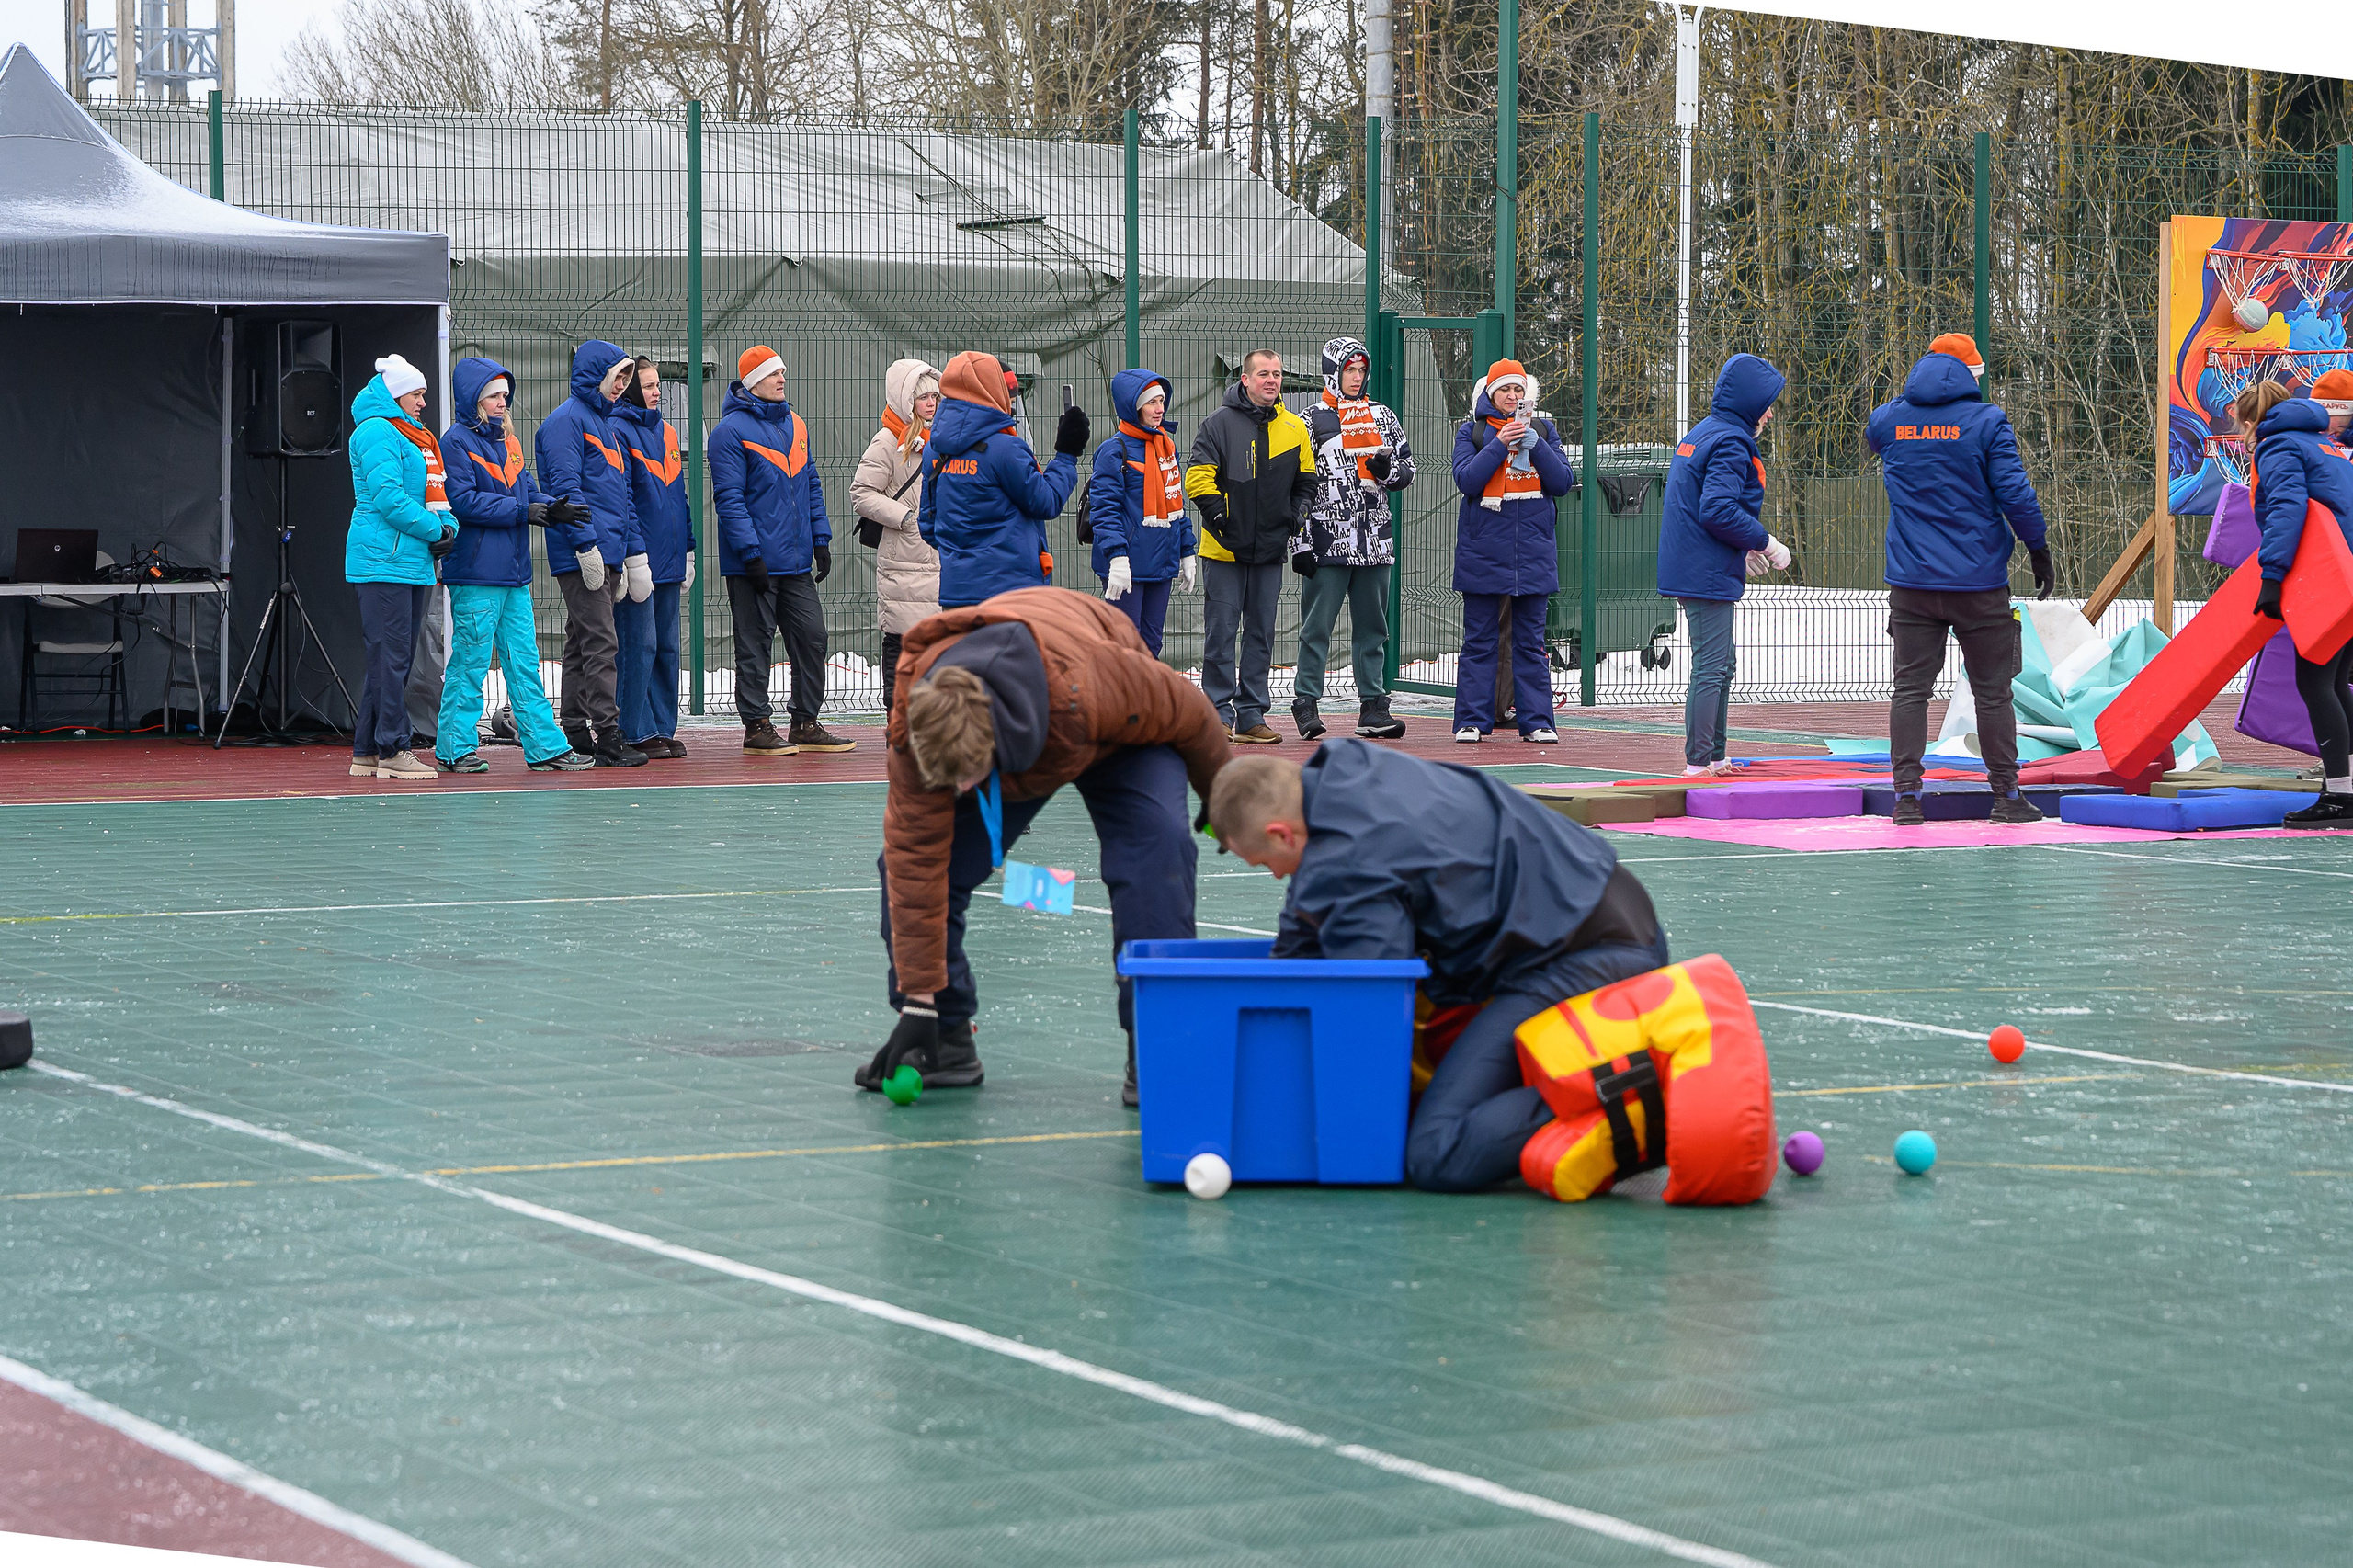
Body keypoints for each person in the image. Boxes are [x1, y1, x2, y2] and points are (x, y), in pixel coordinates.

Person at [1210, 744, 1669, 1191]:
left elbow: (1371, 999)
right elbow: (1305, 925)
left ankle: (1642, 1094)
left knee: (1436, 1151)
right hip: (1596, 912)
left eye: (1267, 863)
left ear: (1281, 834)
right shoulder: (1345, 769)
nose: (1276, 876)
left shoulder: (1350, 862)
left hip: (1591, 956)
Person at [867, 586, 1229, 1108]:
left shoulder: (1092, 682)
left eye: (969, 777)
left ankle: (1156, 1044)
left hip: (1109, 715)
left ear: (997, 741)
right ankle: (944, 1038)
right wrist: (918, 1004)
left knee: (1158, 852)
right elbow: (914, 861)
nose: (961, 793)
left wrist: (1222, 800)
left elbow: (1191, 712)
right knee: (916, 869)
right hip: (1034, 729)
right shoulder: (918, 730)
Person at [1867, 332, 2052, 825]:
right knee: (1993, 692)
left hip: (1912, 582)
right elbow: (2015, 493)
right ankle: (2006, 795)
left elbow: (1877, 440)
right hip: (1978, 582)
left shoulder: (1888, 421)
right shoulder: (1987, 422)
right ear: (1971, 374)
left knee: (1910, 689)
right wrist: (2037, 547)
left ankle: (1906, 797)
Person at [435, 357, 594, 775]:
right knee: (470, 662)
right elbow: (464, 501)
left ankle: (544, 748)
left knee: (523, 661)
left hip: (512, 574)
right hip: (476, 574)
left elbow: (525, 490)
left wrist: (551, 506)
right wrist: (525, 510)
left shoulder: (509, 441)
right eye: (495, 395)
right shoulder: (455, 442)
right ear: (474, 399)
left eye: (505, 395)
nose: (504, 402)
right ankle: (454, 747)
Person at [709, 345, 852, 756]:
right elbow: (729, 499)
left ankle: (805, 722)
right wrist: (750, 554)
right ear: (754, 382)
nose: (782, 379)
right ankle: (756, 726)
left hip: (795, 562)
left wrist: (820, 540)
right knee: (754, 645)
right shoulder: (729, 433)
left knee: (813, 637)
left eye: (783, 372)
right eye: (774, 374)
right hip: (753, 565)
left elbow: (811, 485)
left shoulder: (797, 425)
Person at [1657, 353, 1789, 778]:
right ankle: (1698, 763)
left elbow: (1700, 506)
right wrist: (1764, 542)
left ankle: (1715, 755)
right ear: (1750, 402)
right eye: (1766, 403)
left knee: (1722, 662)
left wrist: (1740, 548)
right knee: (1712, 666)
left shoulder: (1705, 432)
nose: (1769, 413)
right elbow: (1716, 509)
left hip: (1697, 562)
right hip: (1705, 572)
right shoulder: (1732, 441)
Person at [1188, 349, 1317, 742]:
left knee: (1261, 634)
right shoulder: (1217, 425)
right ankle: (1217, 715)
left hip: (1270, 552)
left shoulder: (1295, 428)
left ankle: (1251, 716)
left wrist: (1293, 519)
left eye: (1277, 374)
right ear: (1244, 379)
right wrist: (1223, 519)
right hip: (1224, 551)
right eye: (1263, 374)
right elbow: (1197, 478)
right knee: (1221, 633)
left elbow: (1308, 483)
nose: (1272, 381)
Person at [2242, 380, 2353, 827]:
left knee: (2315, 682)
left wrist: (2273, 578)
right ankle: (2346, 788)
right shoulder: (2326, 447)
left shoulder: (2278, 448)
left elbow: (2288, 509)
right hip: (2347, 570)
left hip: (2327, 577)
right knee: (2337, 681)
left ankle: (2341, 798)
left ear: (2252, 423)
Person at [1292, 336, 1415, 740]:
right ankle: (1306, 704)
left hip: (1375, 540)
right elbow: (1297, 486)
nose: (1357, 377)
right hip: (1327, 541)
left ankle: (1373, 708)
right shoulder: (1310, 419)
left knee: (1373, 629)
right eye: (1349, 370)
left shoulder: (1382, 416)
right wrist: (1301, 543)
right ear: (1332, 372)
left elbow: (1407, 471)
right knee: (1317, 628)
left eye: (1362, 370)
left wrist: (1386, 470)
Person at [535, 339, 649, 767]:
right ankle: (608, 734)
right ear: (594, 374)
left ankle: (577, 728)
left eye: (626, 377)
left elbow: (623, 498)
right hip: (584, 553)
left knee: (583, 644)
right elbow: (566, 490)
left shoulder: (606, 425)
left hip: (608, 553)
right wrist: (586, 547)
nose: (621, 385)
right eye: (616, 376)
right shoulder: (566, 422)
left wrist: (633, 555)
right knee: (601, 642)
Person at [344, 354, 457, 783]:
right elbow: (388, 498)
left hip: (405, 561)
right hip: (384, 561)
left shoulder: (414, 437)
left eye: (424, 393)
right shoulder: (377, 431)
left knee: (390, 660)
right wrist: (435, 530)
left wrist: (448, 526)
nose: (423, 401)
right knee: (391, 659)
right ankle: (393, 747)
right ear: (394, 394)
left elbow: (435, 494)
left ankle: (368, 750)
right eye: (416, 393)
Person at [1449, 359, 1574, 744]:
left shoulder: (1544, 430)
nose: (1513, 397)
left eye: (1519, 390)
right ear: (1490, 395)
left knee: (1532, 644)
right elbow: (1467, 480)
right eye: (1505, 390)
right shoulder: (1471, 432)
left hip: (1533, 554)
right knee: (1479, 641)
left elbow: (1563, 482)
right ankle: (1471, 720)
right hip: (1483, 553)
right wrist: (1498, 445)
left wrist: (1536, 448)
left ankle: (1537, 721)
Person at [920, 352, 1087, 609]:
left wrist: (963, 555)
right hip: (1011, 594)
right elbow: (1046, 502)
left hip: (957, 592)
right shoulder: (1005, 449)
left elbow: (928, 525)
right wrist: (1066, 455)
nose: (1011, 398)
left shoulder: (935, 448)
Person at [613, 356, 695, 759]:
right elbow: (623, 500)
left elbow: (680, 496)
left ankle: (662, 727)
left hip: (671, 558)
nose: (657, 391)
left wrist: (690, 547)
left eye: (657, 384)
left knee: (667, 647)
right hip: (641, 560)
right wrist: (633, 555)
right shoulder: (618, 431)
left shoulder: (666, 431)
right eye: (648, 385)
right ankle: (633, 727)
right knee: (638, 645)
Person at [852, 358, 942, 711]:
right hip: (904, 560)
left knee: (935, 649)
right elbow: (861, 491)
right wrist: (905, 517)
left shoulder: (942, 438)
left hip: (936, 559)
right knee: (902, 644)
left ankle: (930, 724)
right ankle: (898, 722)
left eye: (935, 396)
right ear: (906, 400)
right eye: (923, 398)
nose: (931, 403)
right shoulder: (888, 441)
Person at [1086, 368, 1196, 657]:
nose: (1160, 409)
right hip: (1128, 565)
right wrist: (1117, 559)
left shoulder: (1166, 447)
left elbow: (1177, 503)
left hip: (1161, 564)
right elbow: (1104, 510)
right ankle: (1118, 703)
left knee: (1151, 645)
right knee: (1124, 647)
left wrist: (1186, 550)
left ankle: (1146, 703)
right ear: (1132, 405)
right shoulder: (1113, 451)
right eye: (1151, 402)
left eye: (1161, 401)